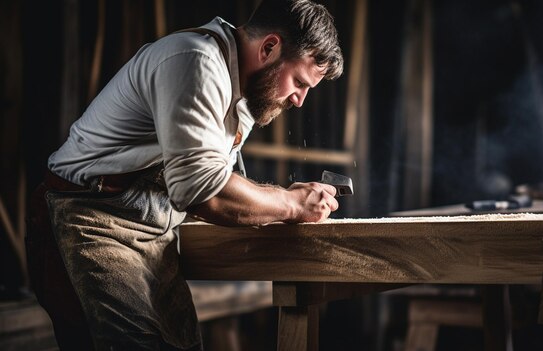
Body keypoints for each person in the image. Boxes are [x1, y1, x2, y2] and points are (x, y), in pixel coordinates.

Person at [25, 0, 344, 349]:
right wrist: (291, 202)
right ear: (269, 47)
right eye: (299, 81)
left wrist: (282, 200)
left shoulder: (238, 89)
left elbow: (208, 177)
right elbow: (201, 190)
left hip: (150, 231)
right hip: (86, 217)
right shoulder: (196, 61)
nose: (300, 100)